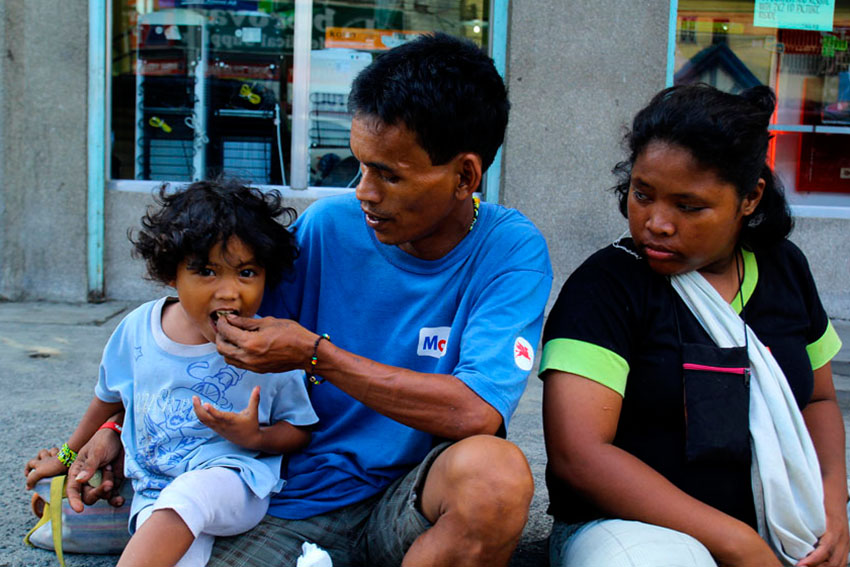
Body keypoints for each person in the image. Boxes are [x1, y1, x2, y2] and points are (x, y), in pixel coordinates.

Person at [540, 83, 848, 567]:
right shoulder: (607, 286)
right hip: (630, 531)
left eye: (688, 206)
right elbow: (580, 456)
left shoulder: (784, 269)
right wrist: (737, 544)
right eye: (643, 194)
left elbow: (820, 399)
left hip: (781, 525)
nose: (656, 223)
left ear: (749, 198)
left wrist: (833, 505)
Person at [24, 180, 319, 567]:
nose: (230, 292)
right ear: (170, 274)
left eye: (247, 272)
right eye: (207, 271)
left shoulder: (269, 346)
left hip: (233, 481)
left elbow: (300, 430)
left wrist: (256, 436)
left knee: (187, 498)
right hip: (153, 492)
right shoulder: (136, 330)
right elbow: (107, 400)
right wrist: (66, 456)